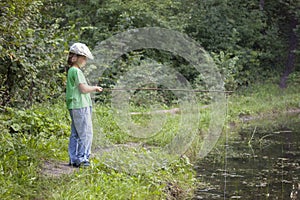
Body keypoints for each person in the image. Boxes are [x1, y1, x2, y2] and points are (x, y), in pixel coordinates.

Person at [66, 42, 102, 167]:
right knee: (86, 132)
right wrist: (95, 88)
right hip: (80, 105)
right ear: (74, 57)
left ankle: (74, 158)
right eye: (83, 57)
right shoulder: (76, 71)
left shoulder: (72, 71)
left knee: (76, 133)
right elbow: (83, 89)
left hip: (75, 105)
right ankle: (82, 159)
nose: (85, 60)